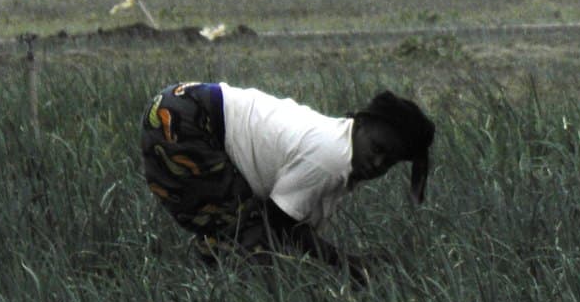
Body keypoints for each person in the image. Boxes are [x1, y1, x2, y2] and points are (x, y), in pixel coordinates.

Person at [142, 82, 434, 278]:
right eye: (377, 149)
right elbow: (279, 223)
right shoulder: (331, 157)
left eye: (390, 161)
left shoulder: (341, 143)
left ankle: (198, 290)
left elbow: (290, 226)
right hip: (184, 117)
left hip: (182, 103)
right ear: (361, 124)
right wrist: (347, 264)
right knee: (249, 247)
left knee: (236, 233)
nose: (378, 164)